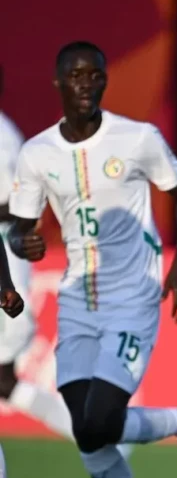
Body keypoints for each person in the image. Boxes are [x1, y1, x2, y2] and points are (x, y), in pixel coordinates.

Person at [7, 41, 177, 478]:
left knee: (100, 421)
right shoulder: (37, 153)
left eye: (95, 75)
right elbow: (20, 230)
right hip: (76, 300)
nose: (86, 84)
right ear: (58, 83)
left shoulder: (138, 138)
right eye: (76, 76)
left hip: (132, 297)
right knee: (87, 433)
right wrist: (25, 244)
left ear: (104, 81)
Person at [2, 64, 98, 449]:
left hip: (7, 272)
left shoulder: (3, 138)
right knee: (4, 382)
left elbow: (17, 207)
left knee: (3, 380)